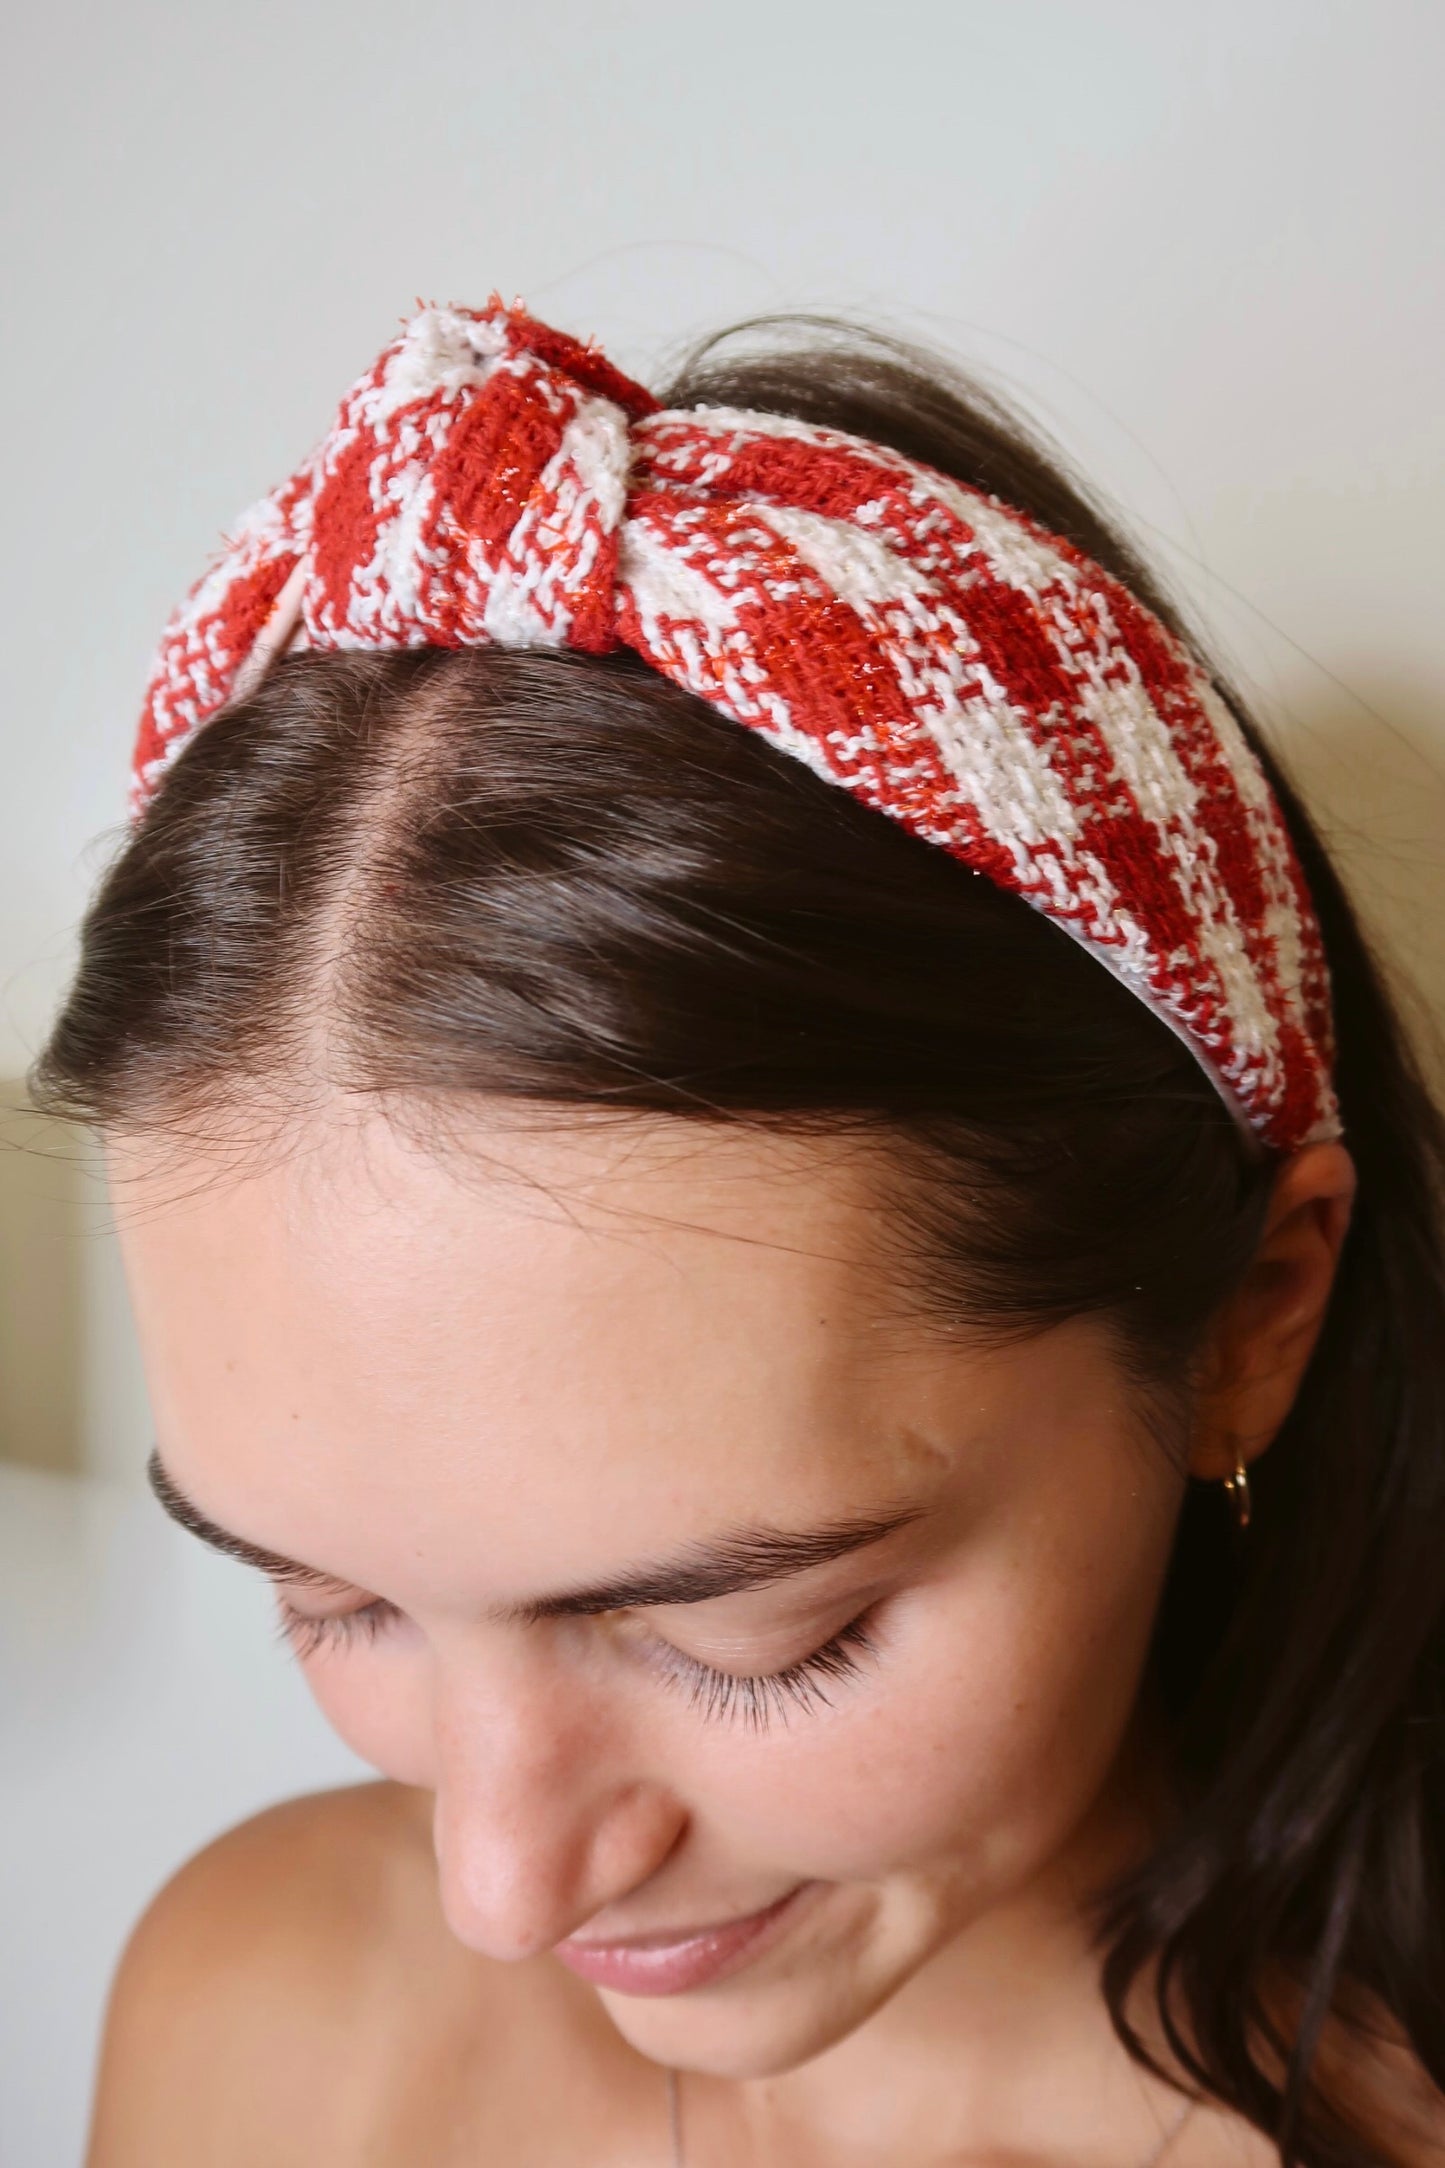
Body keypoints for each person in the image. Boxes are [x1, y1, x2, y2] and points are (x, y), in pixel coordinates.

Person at [38, 297, 1445, 2167]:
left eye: (762, 1639)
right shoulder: (263, 2025)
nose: (506, 1888)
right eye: (337, 1603)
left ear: (1253, 1322)